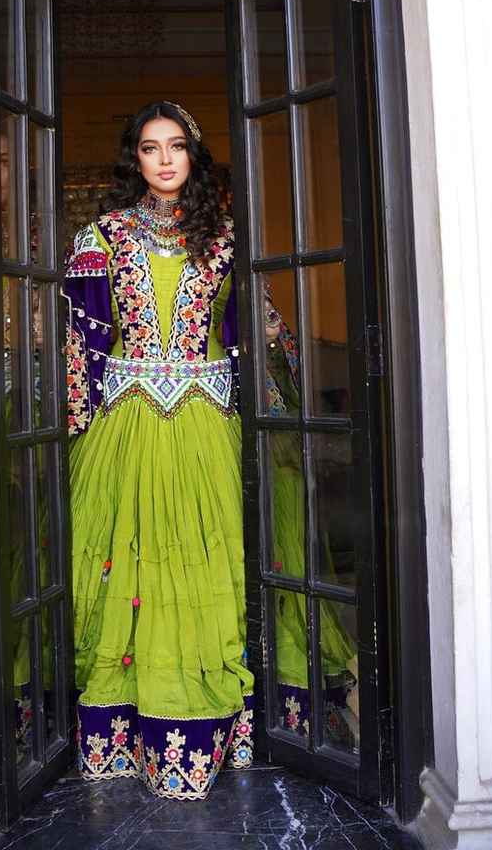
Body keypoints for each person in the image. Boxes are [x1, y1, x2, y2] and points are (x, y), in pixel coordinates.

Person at [62, 101, 354, 800]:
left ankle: (221, 725)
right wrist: (76, 421)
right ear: (134, 158)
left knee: (210, 563)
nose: (164, 160)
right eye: (150, 148)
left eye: (177, 147)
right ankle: (126, 727)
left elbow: (256, 333)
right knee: (128, 564)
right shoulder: (100, 239)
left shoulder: (226, 242)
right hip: (125, 430)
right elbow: (81, 346)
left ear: (194, 156)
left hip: (209, 425)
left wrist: (276, 394)